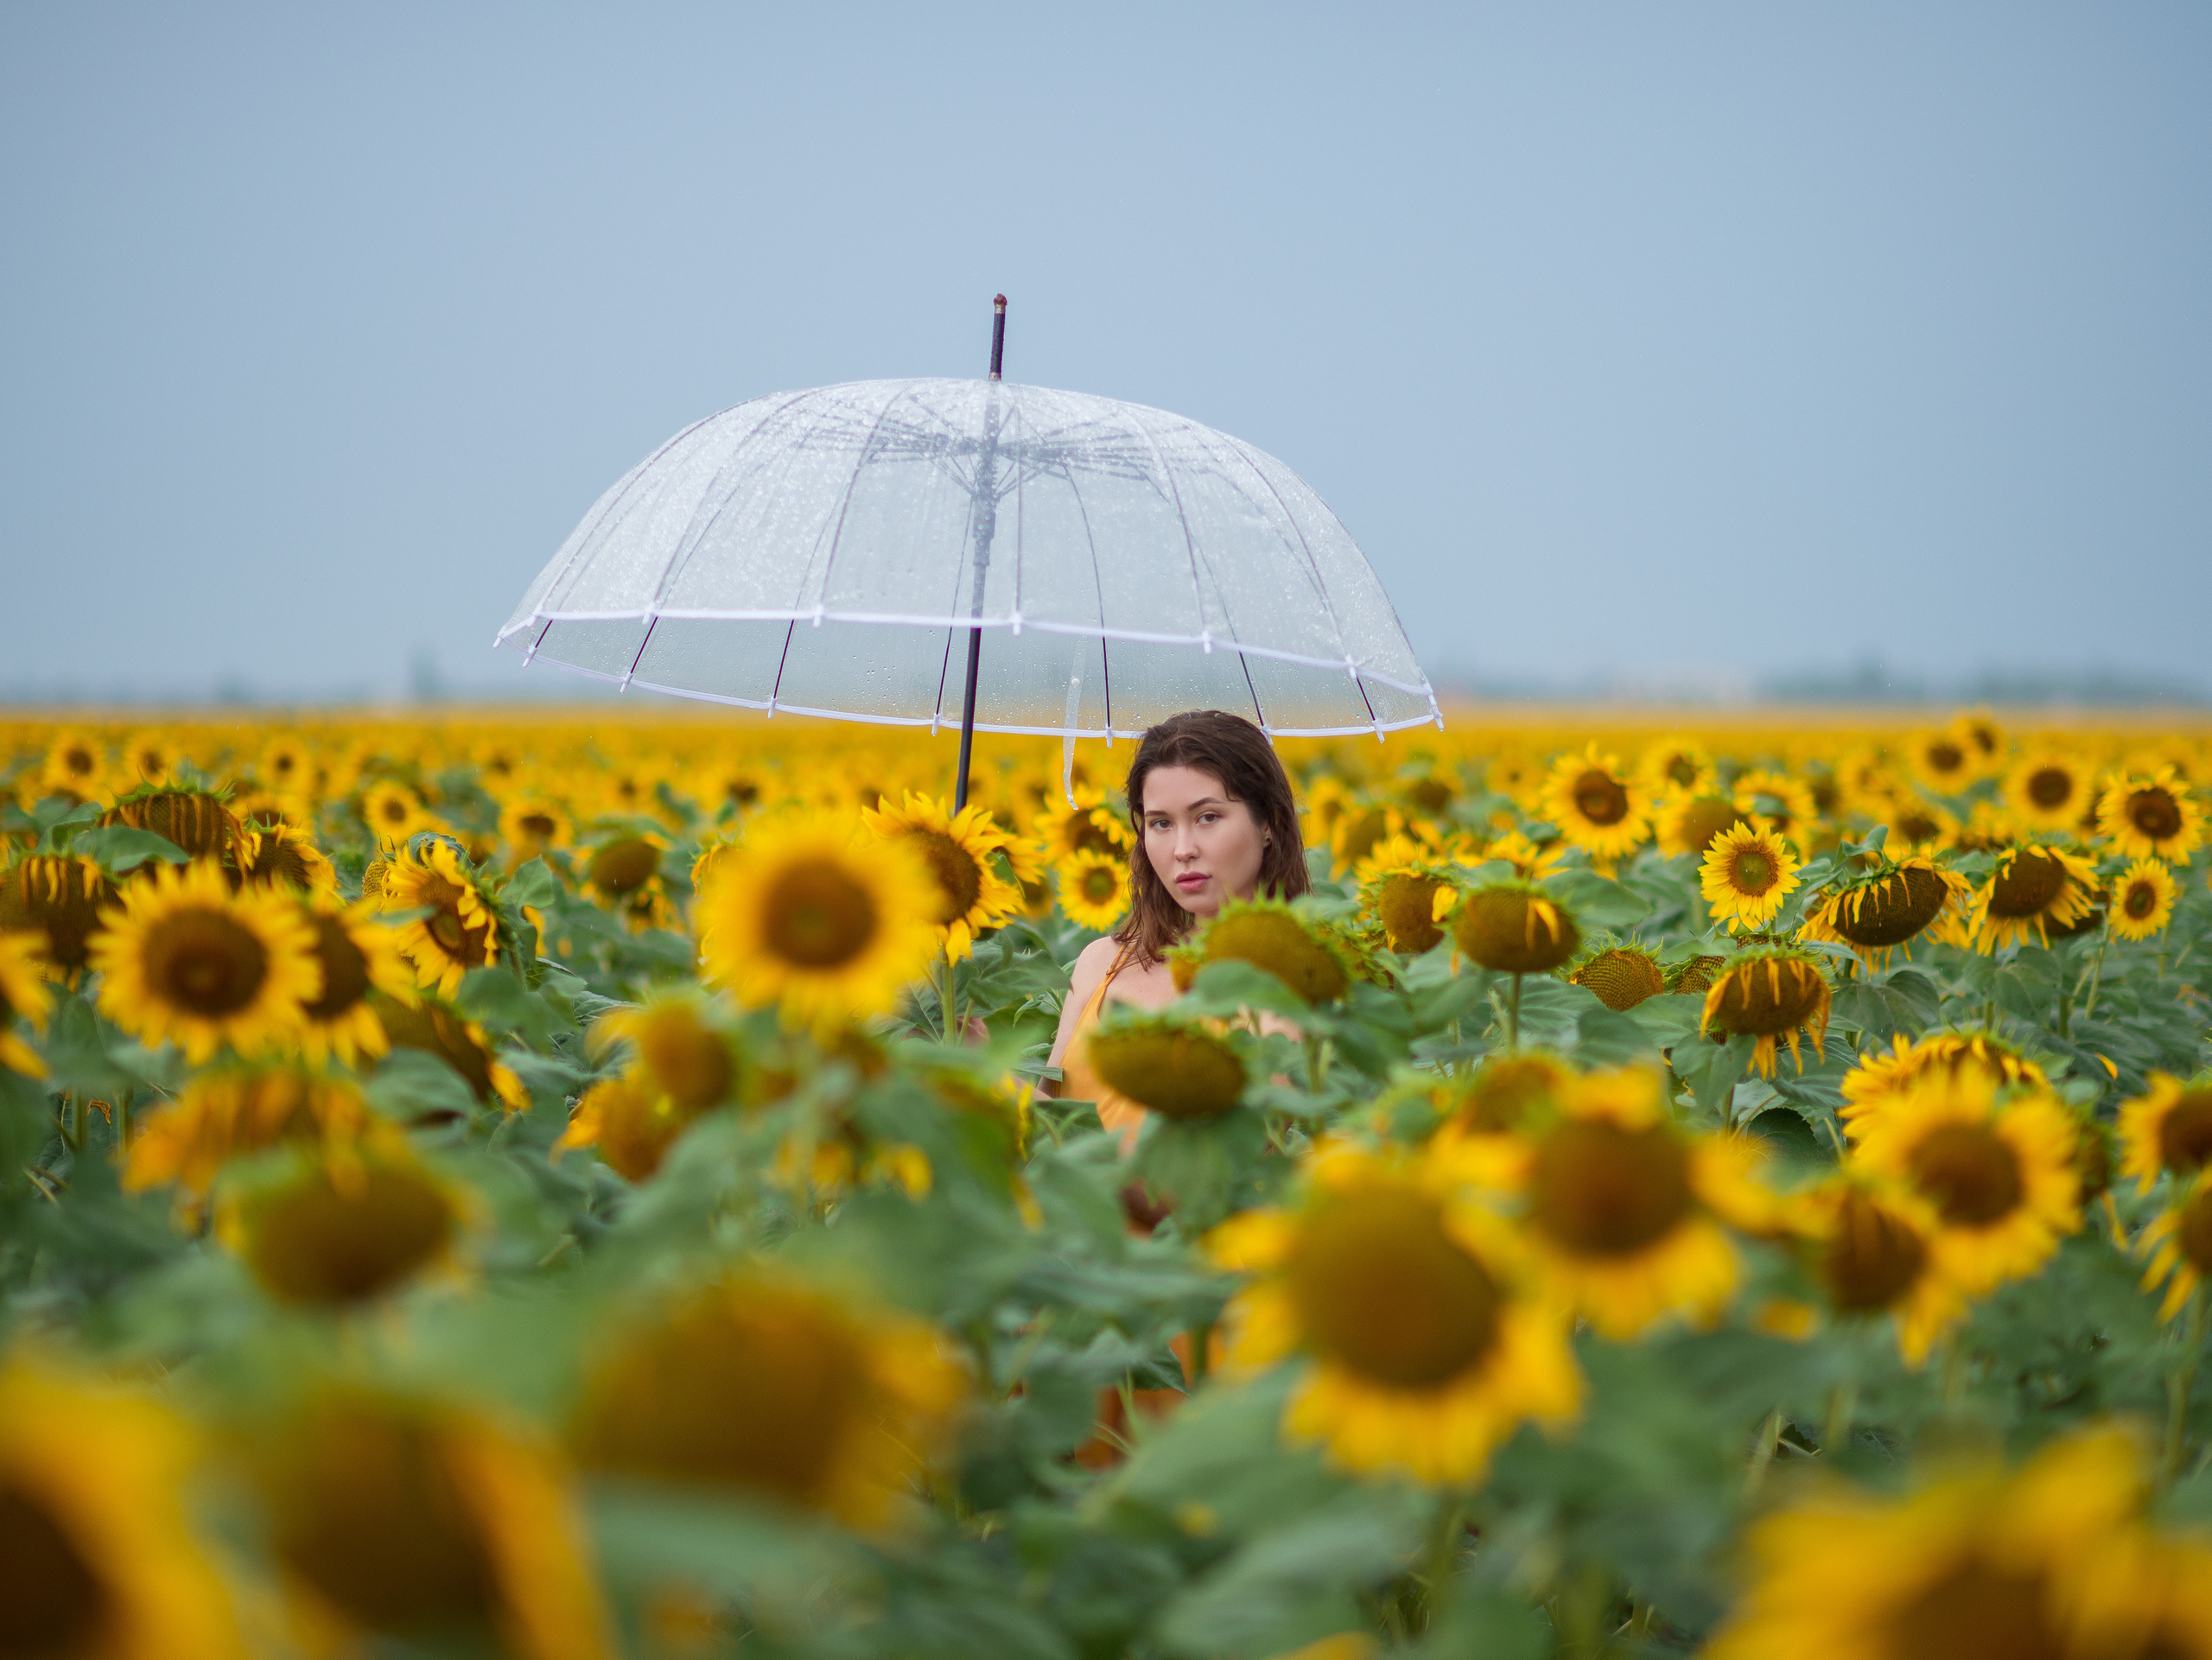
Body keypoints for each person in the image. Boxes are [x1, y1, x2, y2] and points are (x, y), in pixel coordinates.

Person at [1046, 709, 1308, 1150]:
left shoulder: (1293, 988)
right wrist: (977, 1064)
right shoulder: (1103, 963)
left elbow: (1209, 1182)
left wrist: (1039, 1128)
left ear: (1269, 824)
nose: (1183, 850)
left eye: (1207, 817)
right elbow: (1043, 1122)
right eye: (1161, 823)